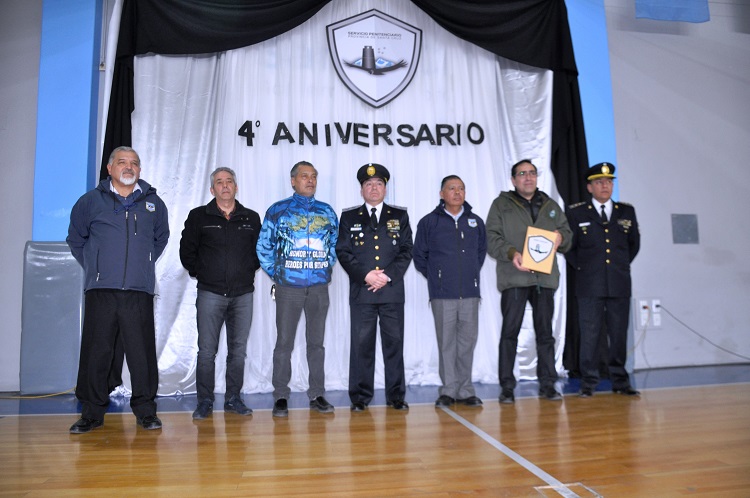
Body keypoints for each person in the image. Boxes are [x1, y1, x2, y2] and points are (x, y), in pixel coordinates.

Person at [66, 146, 169, 433]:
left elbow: (160, 239)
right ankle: (92, 413)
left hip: (139, 291)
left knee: (141, 354)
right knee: (96, 352)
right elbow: (76, 238)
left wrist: (143, 264)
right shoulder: (90, 201)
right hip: (101, 290)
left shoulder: (153, 204)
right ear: (110, 168)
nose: (129, 167)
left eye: (134, 163)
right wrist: (94, 264)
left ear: (139, 170)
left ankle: (146, 411)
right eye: (122, 162)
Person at [486, 159, 572, 404]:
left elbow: (568, 236)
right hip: (515, 277)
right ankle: (507, 387)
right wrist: (512, 253)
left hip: (544, 280)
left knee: (545, 334)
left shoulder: (551, 205)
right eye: (522, 173)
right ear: (513, 180)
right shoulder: (501, 205)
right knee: (509, 333)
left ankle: (548, 385)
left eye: (532, 173)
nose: (528, 177)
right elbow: (491, 238)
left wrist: (560, 238)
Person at [257, 161, 339, 417]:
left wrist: (323, 269)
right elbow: (263, 246)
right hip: (288, 288)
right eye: (304, 176)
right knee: (284, 343)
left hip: (318, 288)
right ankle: (281, 395)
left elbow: (335, 246)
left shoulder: (326, 212)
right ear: (293, 181)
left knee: (316, 344)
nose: (310, 180)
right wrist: (280, 274)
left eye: (313, 176)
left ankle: (317, 394)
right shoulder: (278, 211)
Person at [179, 167, 261, 420]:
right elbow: (187, 252)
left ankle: (233, 399)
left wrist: (246, 270)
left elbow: (260, 252)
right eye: (219, 182)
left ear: (236, 187)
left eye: (229, 182)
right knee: (206, 351)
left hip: (243, 294)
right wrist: (203, 273)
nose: (225, 186)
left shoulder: (251, 217)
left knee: (238, 351)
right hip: (210, 294)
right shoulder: (198, 216)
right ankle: (204, 401)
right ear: (212, 189)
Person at [336, 163, 413, 412]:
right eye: (368, 184)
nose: (374, 188)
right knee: (362, 347)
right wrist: (366, 275)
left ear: (385, 188)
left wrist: (387, 276)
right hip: (362, 292)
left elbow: (406, 250)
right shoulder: (349, 217)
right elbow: (343, 251)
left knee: (394, 345)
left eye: (379, 183)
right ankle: (360, 397)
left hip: (391, 292)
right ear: (361, 190)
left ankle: (396, 396)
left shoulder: (399, 215)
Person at [566, 162, 641, 397]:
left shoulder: (626, 211)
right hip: (589, 283)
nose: (605, 186)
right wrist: (584, 267)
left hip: (619, 283)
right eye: (599, 182)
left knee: (618, 333)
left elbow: (633, 245)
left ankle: (620, 380)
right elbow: (570, 247)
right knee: (590, 334)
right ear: (590, 187)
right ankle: (588, 381)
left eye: (609, 182)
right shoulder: (577, 212)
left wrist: (619, 266)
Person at [413, 175, 487, 408]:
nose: (457, 192)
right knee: (446, 343)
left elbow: (480, 254)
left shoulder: (475, 221)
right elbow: (419, 256)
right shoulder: (429, 222)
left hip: (470, 294)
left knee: (467, 343)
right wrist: (438, 278)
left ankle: (465, 390)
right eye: (451, 188)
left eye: (461, 188)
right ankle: (448, 390)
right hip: (442, 295)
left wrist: (470, 276)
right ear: (441, 194)